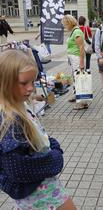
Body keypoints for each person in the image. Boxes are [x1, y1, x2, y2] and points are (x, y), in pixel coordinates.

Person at [0, 49, 76, 209]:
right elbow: (16, 167)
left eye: (32, 82)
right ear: (5, 82)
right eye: (23, 83)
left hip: (39, 186)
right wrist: (55, 158)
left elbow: (38, 135)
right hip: (37, 190)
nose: (30, 88)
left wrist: (52, 144)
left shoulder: (20, 106)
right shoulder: (10, 119)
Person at [61, 15, 88, 110]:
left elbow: (81, 47)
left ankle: (82, 103)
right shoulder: (74, 31)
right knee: (76, 79)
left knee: (79, 80)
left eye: (65, 25)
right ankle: (77, 96)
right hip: (74, 59)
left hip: (77, 59)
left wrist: (81, 63)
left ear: (69, 23)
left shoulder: (77, 32)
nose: (65, 27)